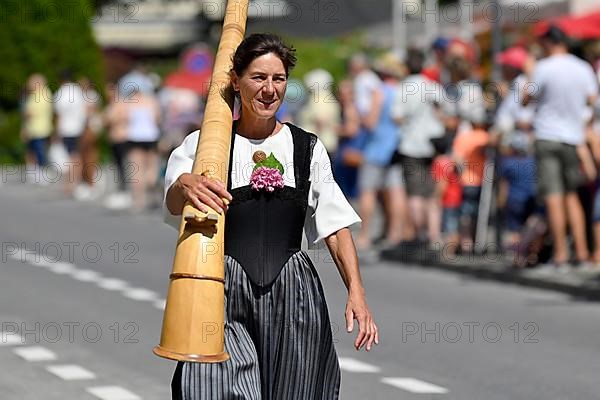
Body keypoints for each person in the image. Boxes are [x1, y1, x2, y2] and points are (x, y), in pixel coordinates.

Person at [163, 33, 378, 400]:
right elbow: (171, 199)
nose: (269, 89)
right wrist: (186, 183)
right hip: (222, 286)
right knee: (218, 387)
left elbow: (335, 226)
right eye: (258, 78)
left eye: (278, 79)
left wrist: (356, 292)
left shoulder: (306, 147)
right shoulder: (207, 144)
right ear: (236, 81)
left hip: (293, 290)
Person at [524, 26, 599, 268]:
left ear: (548, 42)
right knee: (572, 196)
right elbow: (591, 99)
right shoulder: (582, 67)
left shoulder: (543, 67)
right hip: (574, 137)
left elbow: (527, 98)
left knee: (554, 197)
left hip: (548, 135)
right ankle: (581, 252)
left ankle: (560, 255)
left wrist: (528, 73)